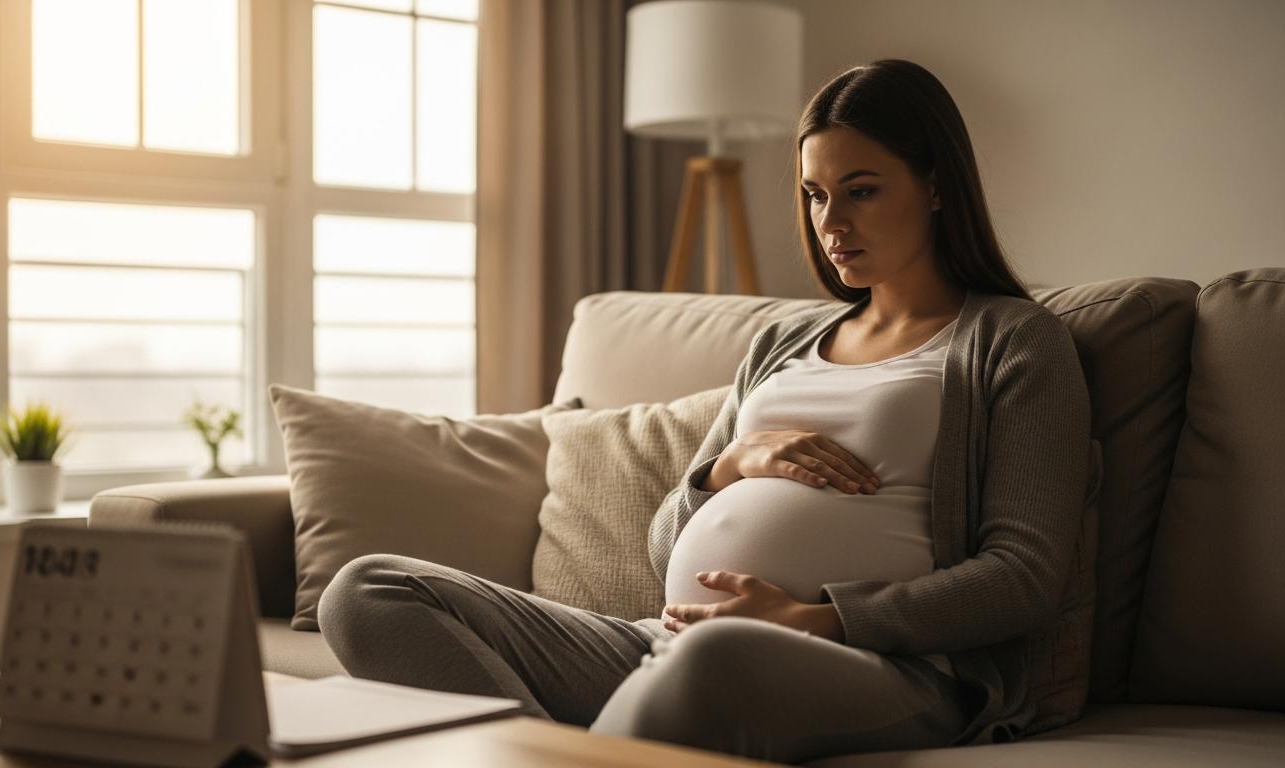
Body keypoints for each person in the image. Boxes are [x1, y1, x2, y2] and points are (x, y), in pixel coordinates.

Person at [316, 58, 1093, 764]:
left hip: (883, 668)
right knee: (368, 589)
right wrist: (728, 466)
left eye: (861, 191)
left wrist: (816, 618)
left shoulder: (1013, 340)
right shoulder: (783, 342)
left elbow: (1023, 577)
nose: (831, 223)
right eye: (815, 194)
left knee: (716, 658)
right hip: (669, 641)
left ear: (936, 186)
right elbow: (665, 548)